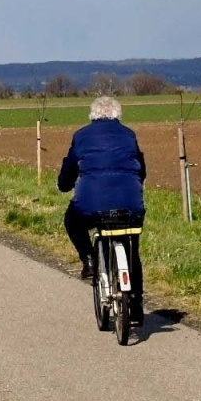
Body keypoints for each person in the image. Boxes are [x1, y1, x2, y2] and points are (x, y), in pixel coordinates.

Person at [57, 96, 146, 279]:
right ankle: (135, 291)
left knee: (72, 221)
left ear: (92, 115)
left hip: (90, 204)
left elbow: (70, 167)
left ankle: (89, 259)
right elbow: (141, 169)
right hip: (130, 203)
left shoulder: (81, 136)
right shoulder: (129, 135)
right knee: (131, 242)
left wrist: (64, 185)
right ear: (118, 114)